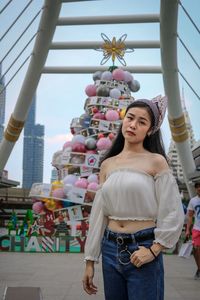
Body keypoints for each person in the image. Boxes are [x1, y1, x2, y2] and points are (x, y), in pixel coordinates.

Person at [82, 96, 184, 300]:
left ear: (150, 130)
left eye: (142, 122)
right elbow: (99, 215)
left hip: (143, 248)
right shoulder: (107, 164)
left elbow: (172, 211)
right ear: (123, 120)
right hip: (110, 248)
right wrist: (90, 261)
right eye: (130, 118)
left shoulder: (156, 162)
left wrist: (154, 250)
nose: (133, 125)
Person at [186, 181, 200, 280]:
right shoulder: (193, 201)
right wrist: (187, 230)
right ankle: (199, 268)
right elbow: (190, 217)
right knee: (196, 249)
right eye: (198, 187)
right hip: (197, 228)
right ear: (196, 189)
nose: (199, 189)